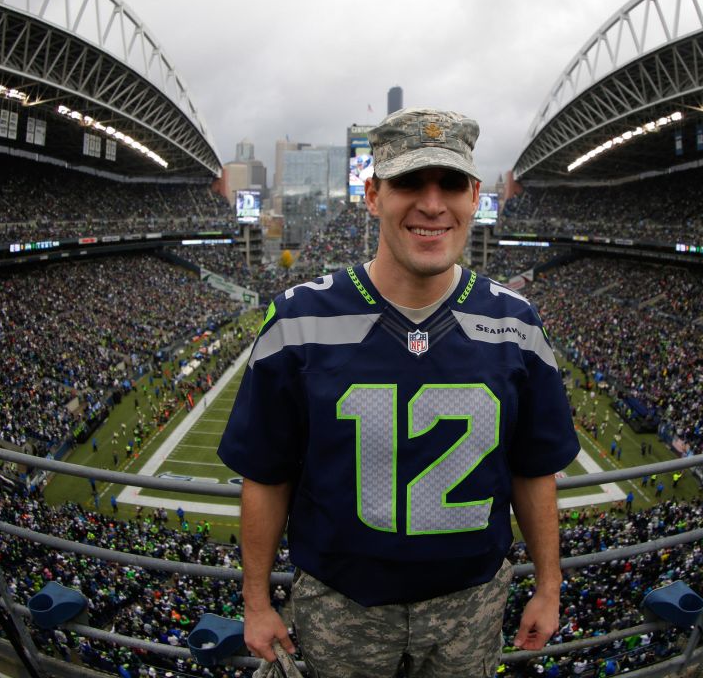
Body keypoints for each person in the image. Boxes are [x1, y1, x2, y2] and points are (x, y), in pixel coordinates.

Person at [220, 107, 579, 676]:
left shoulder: (517, 323)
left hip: (472, 605)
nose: (433, 204)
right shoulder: (299, 318)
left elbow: (534, 470)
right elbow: (267, 473)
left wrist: (549, 586)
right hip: (342, 604)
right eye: (410, 181)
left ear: (474, 195)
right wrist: (257, 602)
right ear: (373, 195)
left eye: (452, 184)